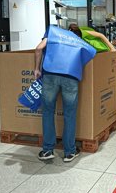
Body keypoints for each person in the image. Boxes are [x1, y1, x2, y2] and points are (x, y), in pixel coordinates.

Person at [34, 24, 94, 162]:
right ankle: (69, 152)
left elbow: (38, 48)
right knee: (70, 114)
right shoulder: (77, 40)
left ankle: (48, 150)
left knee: (48, 111)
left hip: (50, 75)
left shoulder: (54, 32)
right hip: (70, 77)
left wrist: (37, 69)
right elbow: (91, 52)